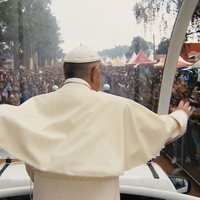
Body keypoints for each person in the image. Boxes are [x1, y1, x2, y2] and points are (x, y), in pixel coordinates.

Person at [0, 45, 193, 200]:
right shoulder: (118, 107)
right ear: (94, 73)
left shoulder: (35, 106)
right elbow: (160, 128)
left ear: (66, 73)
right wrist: (180, 116)